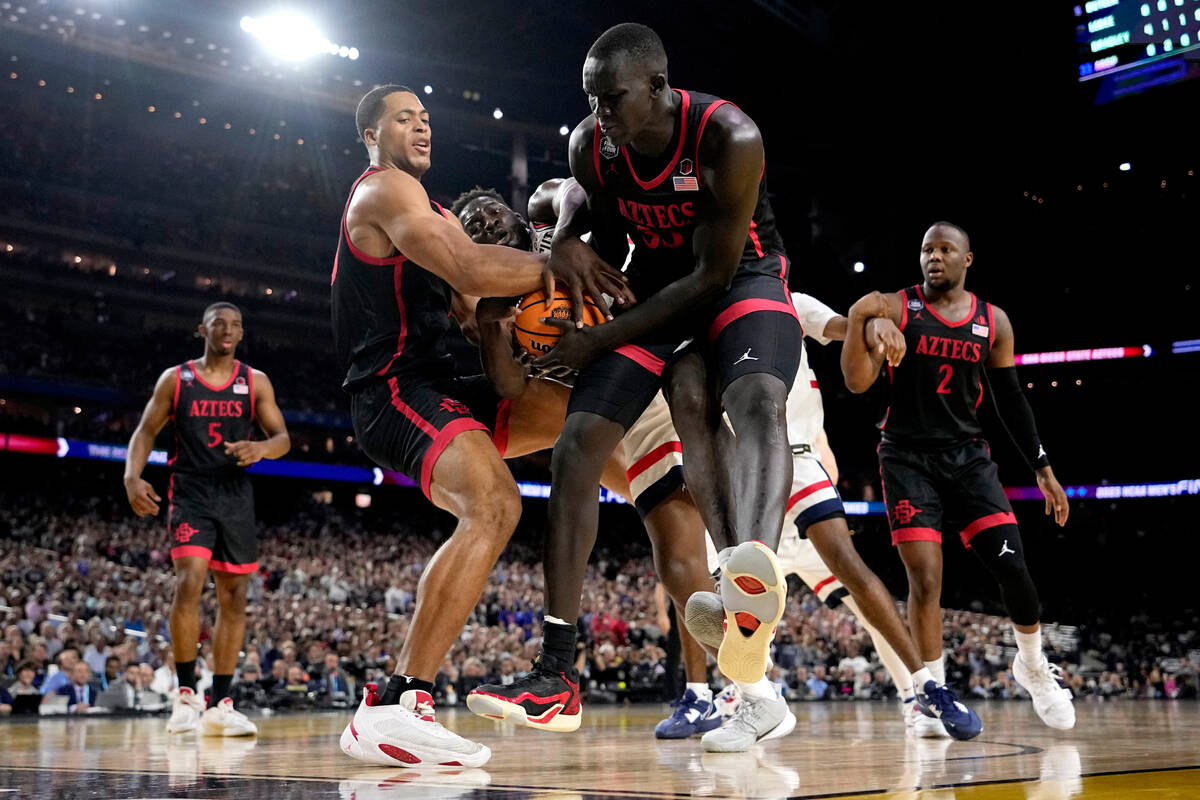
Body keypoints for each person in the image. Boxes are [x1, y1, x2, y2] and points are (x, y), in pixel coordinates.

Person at [476, 22, 806, 739]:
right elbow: (583, 200)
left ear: (656, 87)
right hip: (654, 293)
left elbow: (713, 275)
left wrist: (597, 338)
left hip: (738, 279)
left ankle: (751, 578)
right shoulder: (589, 142)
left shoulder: (728, 136)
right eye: (590, 99)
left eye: (612, 98)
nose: (599, 113)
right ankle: (557, 674)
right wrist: (565, 236)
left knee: (752, 398)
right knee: (575, 449)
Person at [332, 84, 627, 769]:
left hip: (441, 383)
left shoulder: (432, 208)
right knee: (495, 504)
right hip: (393, 389)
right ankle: (400, 703)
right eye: (405, 117)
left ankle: (662, 500)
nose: (421, 126)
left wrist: (537, 316)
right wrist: (564, 267)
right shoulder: (381, 191)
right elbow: (468, 267)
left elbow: (477, 307)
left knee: (571, 412)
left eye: (426, 117)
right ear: (371, 135)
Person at [450, 184, 721, 739]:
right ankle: (724, 689)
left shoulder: (548, 222)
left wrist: (569, 238)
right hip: (609, 406)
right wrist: (492, 327)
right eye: (470, 226)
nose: (483, 224)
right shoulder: (487, 290)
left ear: (509, 210)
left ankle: (737, 677)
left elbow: (574, 186)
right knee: (675, 557)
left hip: (656, 355)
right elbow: (508, 385)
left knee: (693, 539)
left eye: (487, 212)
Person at [840, 221, 1075, 731]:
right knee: (925, 578)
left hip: (968, 458)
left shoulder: (994, 321)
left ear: (968, 259)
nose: (934, 257)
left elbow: (1010, 400)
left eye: (946, 249)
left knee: (1013, 570)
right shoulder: (895, 305)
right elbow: (856, 383)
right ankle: (933, 692)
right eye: (927, 249)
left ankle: (1032, 666)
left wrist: (1043, 468)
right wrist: (866, 320)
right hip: (905, 457)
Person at [124, 301, 291, 736]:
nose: (229, 330)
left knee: (234, 599)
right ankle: (184, 696)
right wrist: (132, 476)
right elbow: (145, 430)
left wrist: (261, 449)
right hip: (191, 490)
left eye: (237, 324)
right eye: (220, 324)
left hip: (235, 496)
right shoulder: (175, 379)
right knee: (190, 580)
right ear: (203, 329)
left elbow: (282, 438)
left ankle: (220, 704)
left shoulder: (255, 382)